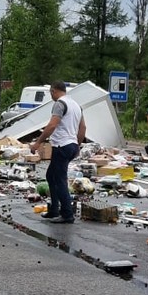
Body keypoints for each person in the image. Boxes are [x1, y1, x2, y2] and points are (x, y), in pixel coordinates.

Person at [30, 82, 86, 224]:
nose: (51, 96)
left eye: (51, 93)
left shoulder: (60, 104)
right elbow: (83, 128)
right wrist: (77, 146)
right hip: (71, 145)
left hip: (61, 145)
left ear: (54, 91)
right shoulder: (76, 105)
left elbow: (52, 125)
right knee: (51, 176)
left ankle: (67, 214)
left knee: (60, 180)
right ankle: (54, 209)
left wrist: (38, 142)